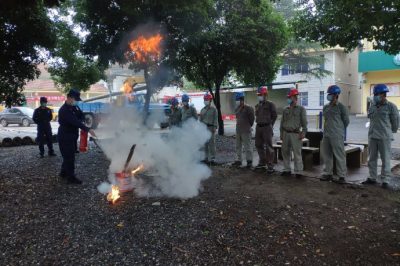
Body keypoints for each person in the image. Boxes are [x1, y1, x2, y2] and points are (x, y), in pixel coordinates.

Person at [363, 84, 399, 188]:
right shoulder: (372, 106)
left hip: (384, 137)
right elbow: (370, 118)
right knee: (372, 158)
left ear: (383, 95)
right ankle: (372, 177)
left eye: (377, 94)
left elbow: (395, 123)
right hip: (373, 136)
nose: (375, 96)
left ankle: (385, 180)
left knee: (385, 159)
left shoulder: (391, 107)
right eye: (375, 94)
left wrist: (389, 132)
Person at [58, 89, 96, 184]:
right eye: (75, 99)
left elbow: (80, 115)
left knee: (68, 155)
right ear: (70, 98)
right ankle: (71, 177)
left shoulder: (74, 107)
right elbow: (75, 121)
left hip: (72, 136)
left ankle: (63, 172)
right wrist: (88, 129)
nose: (77, 102)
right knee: (69, 157)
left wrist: (85, 118)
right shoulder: (64, 110)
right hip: (65, 135)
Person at [320, 85, 349, 184]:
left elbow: (346, 121)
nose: (329, 96)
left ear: (336, 95)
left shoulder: (341, 107)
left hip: (337, 135)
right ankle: (328, 173)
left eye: (330, 94)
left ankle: (342, 176)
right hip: (327, 134)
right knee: (327, 155)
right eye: (328, 94)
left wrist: (338, 129)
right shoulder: (326, 107)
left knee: (339, 155)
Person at [280, 88, 307, 178]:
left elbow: (304, 123)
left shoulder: (301, 109)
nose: (288, 98)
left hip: (296, 134)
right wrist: (281, 134)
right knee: (285, 152)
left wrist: (303, 132)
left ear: (295, 97)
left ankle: (298, 171)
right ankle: (287, 169)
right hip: (286, 133)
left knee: (297, 153)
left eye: (289, 97)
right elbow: (282, 122)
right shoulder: (285, 109)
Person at [254, 87, 277, 173]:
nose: (259, 96)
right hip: (258, 127)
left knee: (268, 146)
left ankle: (270, 165)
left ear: (265, 95)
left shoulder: (270, 104)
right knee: (258, 144)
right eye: (258, 95)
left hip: (267, 127)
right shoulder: (257, 105)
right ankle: (262, 162)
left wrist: (270, 125)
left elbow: (274, 116)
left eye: (260, 95)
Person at [232, 92, 255, 168]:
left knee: (247, 146)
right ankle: (239, 160)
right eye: (236, 100)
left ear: (242, 99)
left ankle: (249, 161)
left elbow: (252, 120)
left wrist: (247, 126)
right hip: (238, 130)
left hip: (246, 130)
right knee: (238, 146)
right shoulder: (237, 108)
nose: (237, 101)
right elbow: (237, 118)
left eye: (237, 99)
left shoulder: (249, 108)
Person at [200, 93, 218, 164]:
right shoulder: (202, 110)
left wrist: (215, 127)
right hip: (204, 128)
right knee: (205, 144)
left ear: (210, 100)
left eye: (207, 99)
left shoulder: (214, 109)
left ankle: (213, 158)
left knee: (211, 143)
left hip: (210, 128)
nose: (205, 101)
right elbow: (200, 120)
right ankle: (205, 158)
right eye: (205, 99)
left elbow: (216, 119)